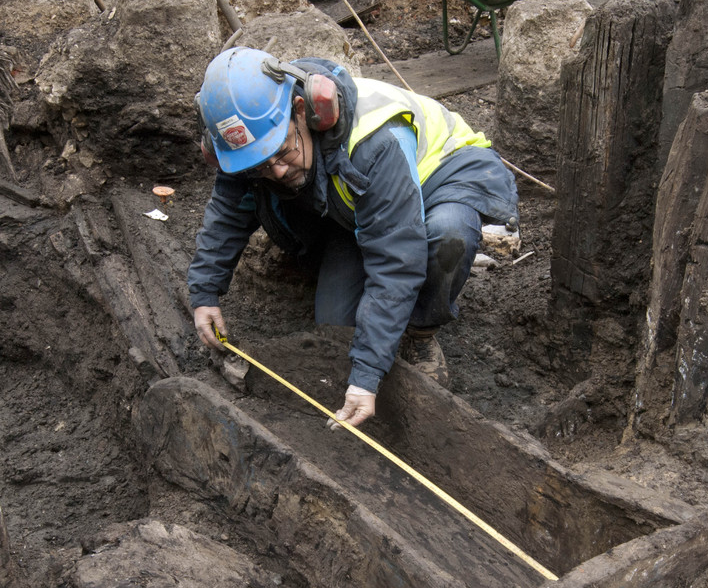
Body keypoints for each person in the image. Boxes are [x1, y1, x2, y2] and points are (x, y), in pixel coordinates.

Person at [188, 47, 518, 429]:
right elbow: (229, 210)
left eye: (282, 153)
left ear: (301, 111)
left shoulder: (374, 141)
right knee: (336, 333)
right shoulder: (250, 142)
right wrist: (205, 293)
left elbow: (397, 259)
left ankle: (421, 330)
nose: (276, 172)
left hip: (444, 177)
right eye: (261, 165)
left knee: (447, 237)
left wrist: (366, 376)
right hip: (363, 206)